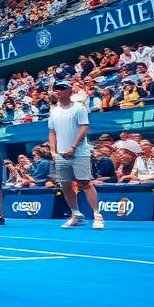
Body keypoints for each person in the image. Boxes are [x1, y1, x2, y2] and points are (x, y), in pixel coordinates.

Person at [48, 80, 103, 229]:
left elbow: (84, 128)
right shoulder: (53, 111)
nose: (58, 91)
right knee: (66, 185)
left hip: (79, 153)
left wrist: (73, 147)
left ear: (69, 90)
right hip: (60, 155)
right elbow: (52, 132)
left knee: (85, 183)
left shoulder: (79, 108)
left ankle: (97, 215)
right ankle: (76, 214)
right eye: (56, 89)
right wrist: (53, 151)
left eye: (61, 88)